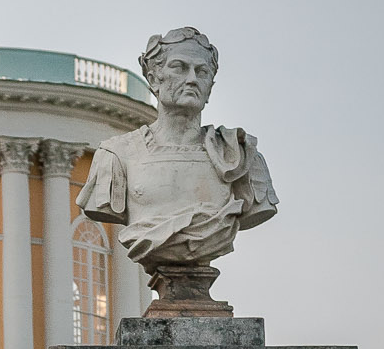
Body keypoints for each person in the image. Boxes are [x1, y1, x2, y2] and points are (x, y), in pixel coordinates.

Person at [78, 27, 276, 285]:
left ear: (210, 86)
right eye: (179, 68)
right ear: (154, 79)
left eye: (201, 72)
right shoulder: (117, 154)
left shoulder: (240, 155)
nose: (192, 79)